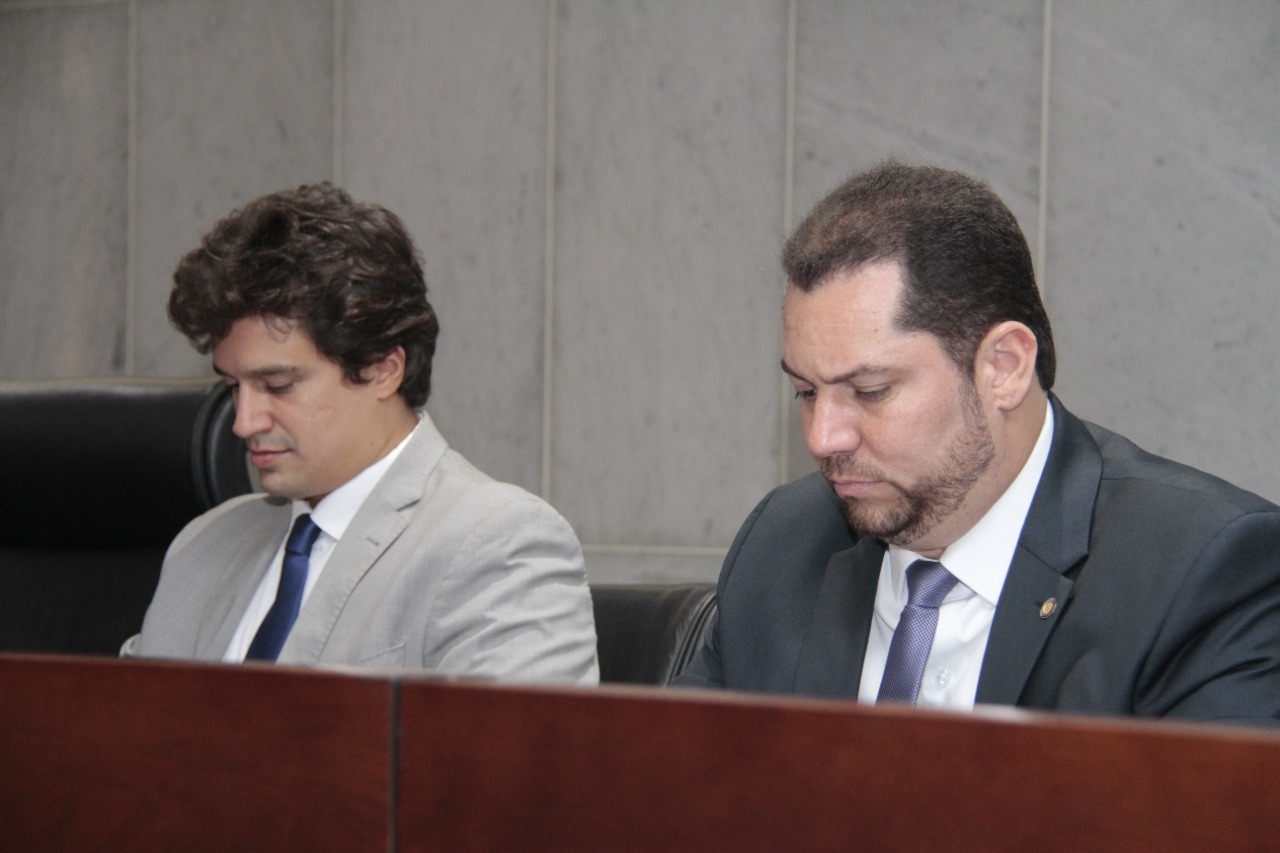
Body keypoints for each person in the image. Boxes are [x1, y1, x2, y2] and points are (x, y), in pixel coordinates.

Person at [677, 161, 1280, 724]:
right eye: (806, 392)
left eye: (871, 390)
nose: (822, 437)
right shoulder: (784, 544)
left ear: (1004, 367)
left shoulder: (1201, 572)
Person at [123, 182, 598, 684]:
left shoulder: (499, 543)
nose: (243, 422)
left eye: (278, 385)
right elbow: (123, 725)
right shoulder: (206, 543)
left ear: (383, 369)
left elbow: (518, 738)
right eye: (232, 387)